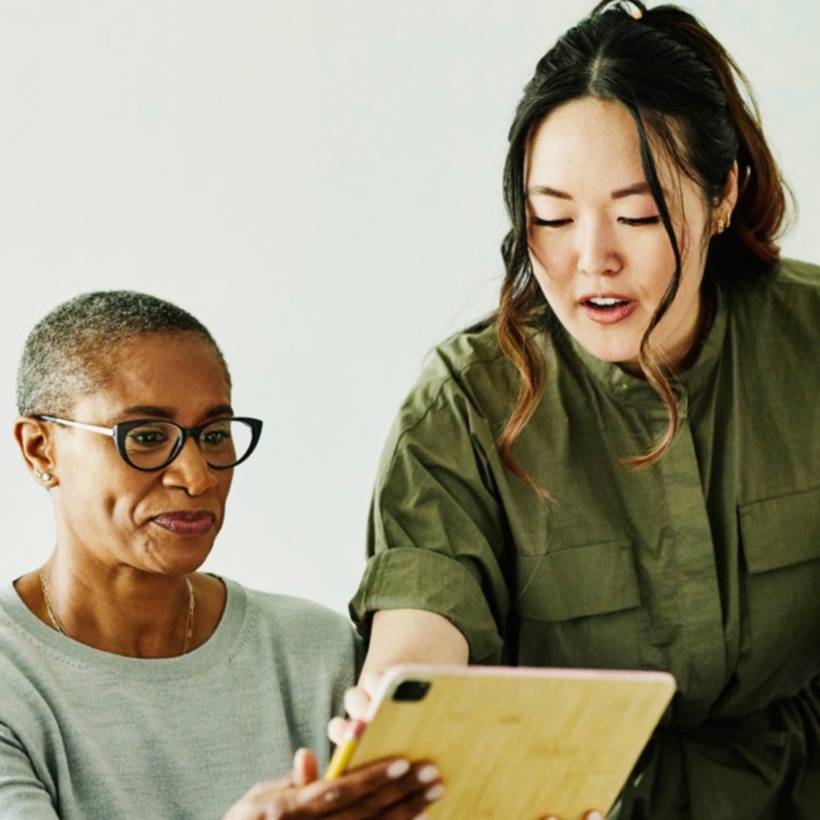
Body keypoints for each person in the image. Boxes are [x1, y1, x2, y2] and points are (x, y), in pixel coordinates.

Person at [340, 1, 820, 818]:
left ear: (722, 194)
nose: (591, 258)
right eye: (552, 216)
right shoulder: (462, 403)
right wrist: (396, 707)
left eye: (636, 215)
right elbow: (421, 636)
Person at [1, 291, 444, 819]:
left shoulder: (317, 653)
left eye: (213, 434)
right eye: (145, 436)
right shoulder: (14, 678)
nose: (197, 475)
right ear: (39, 449)